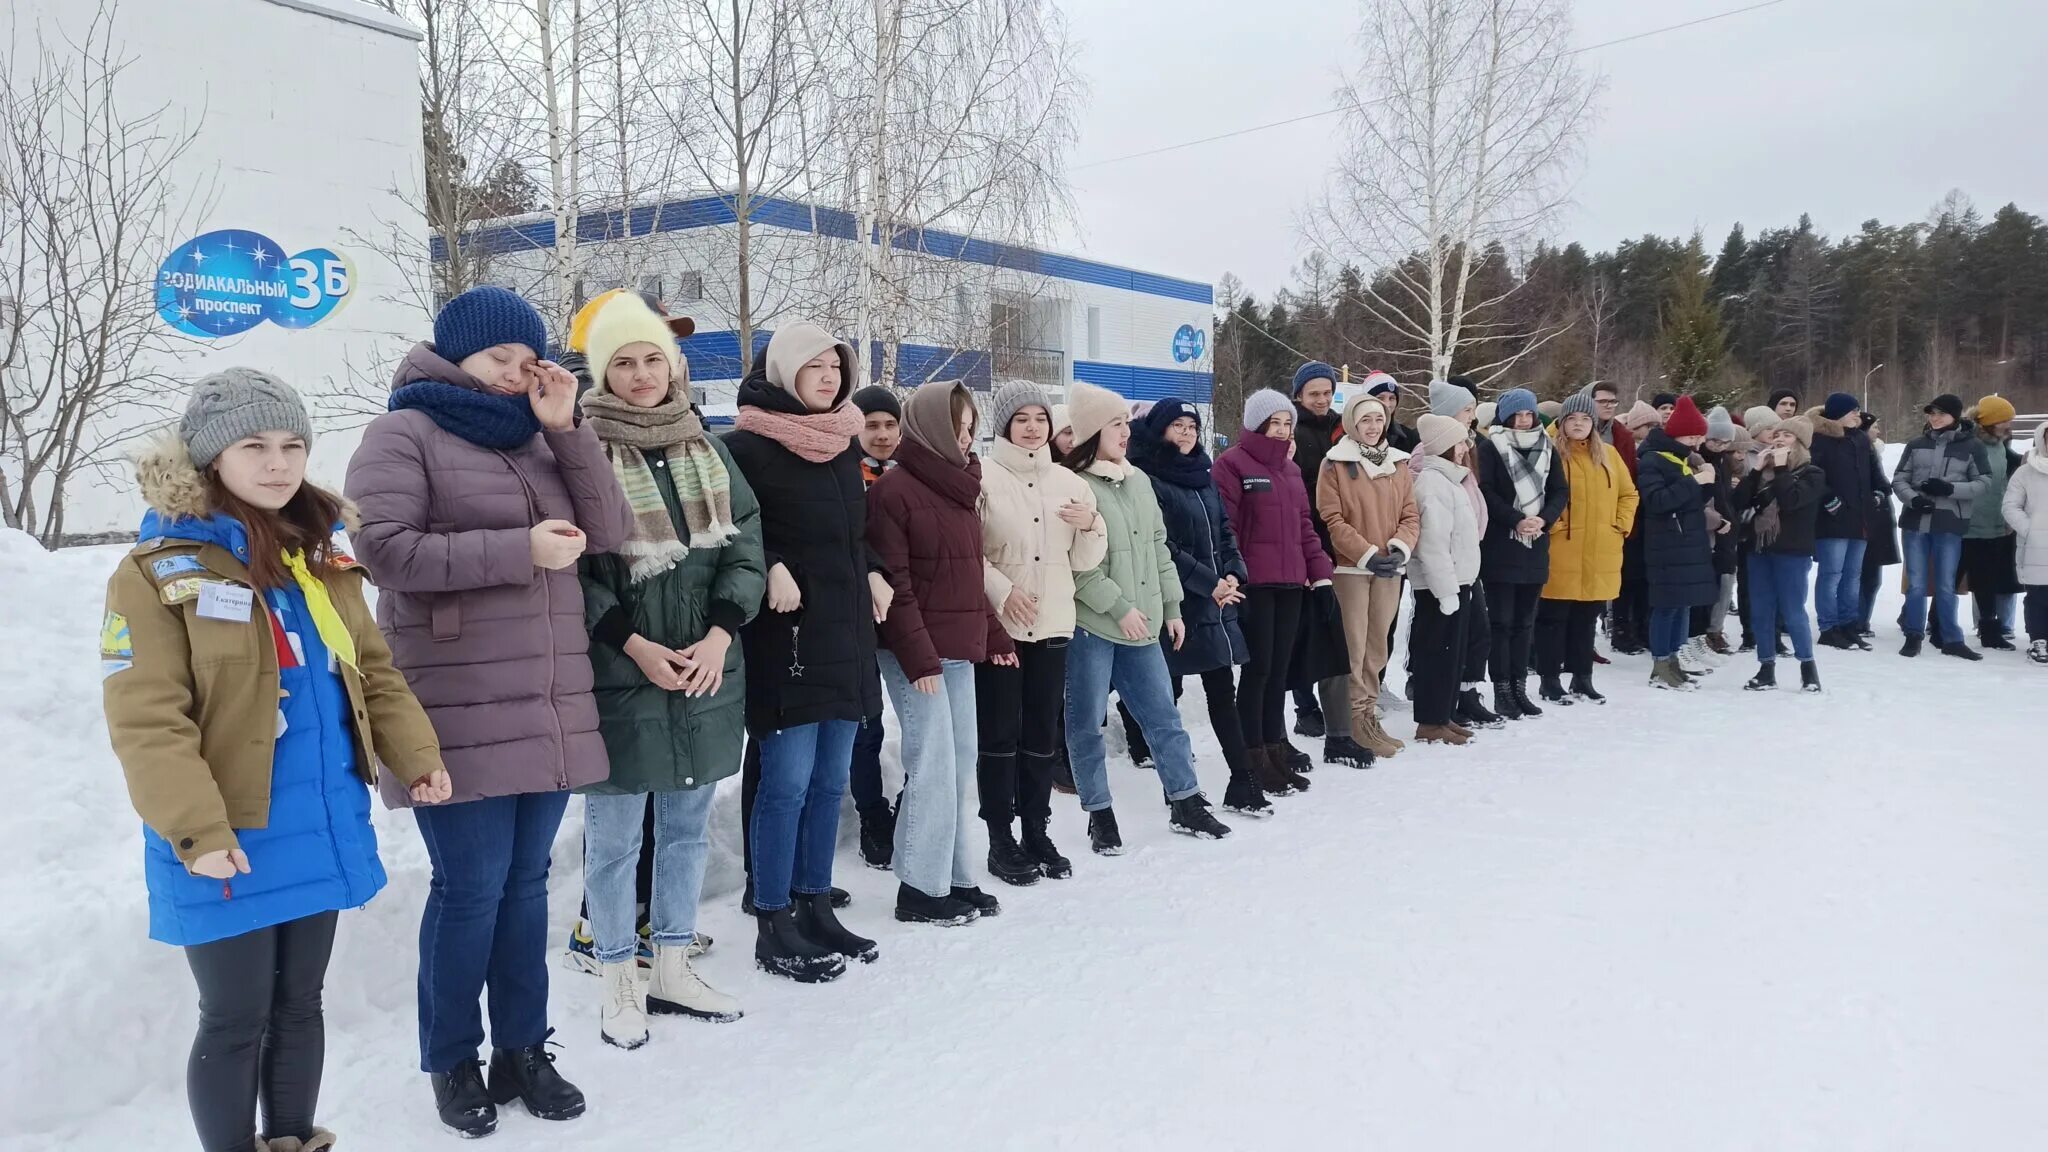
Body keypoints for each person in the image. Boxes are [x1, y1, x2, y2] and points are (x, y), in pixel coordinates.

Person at [105, 370, 450, 1152]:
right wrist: (196, 831)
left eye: (292, 444)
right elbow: (147, 720)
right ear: (208, 458)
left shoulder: (317, 561)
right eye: (254, 445)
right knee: (234, 1017)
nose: (277, 462)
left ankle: (292, 1141)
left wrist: (416, 756)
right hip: (226, 836)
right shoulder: (157, 573)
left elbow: (373, 672)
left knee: (300, 1004)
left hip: (319, 820)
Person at [346, 285, 632, 1135]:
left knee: (525, 886)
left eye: (526, 360)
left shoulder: (542, 438)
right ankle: (451, 1059)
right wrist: (518, 550)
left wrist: (567, 428)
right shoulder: (403, 433)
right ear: (457, 356)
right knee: (469, 888)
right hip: (455, 700)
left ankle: (523, 1048)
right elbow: (382, 550)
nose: (515, 374)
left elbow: (610, 530)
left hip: (545, 701)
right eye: (499, 360)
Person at [573, 294, 763, 1048]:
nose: (642, 373)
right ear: (602, 372)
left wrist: (721, 633)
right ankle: (619, 976)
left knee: (686, 833)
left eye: (653, 357)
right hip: (626, 673)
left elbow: (745, 545)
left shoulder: (706, 447)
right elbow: (577, 575)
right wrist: (635, 646)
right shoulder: (581, 454)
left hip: (707, 671)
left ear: (675, 364)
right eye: (623, 361)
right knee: (615, 838)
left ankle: (674, 966)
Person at [722, 322, 891, 981]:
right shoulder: (745, 446)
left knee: (828, 782)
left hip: (846, 632)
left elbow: (854, 534)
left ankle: (814, 905)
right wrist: (768, 563)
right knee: (786, 783)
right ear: (785, 371)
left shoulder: (845, 445)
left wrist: (875, 567)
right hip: (787, 637)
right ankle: (772, 919)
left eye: (836, 366)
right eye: (815, 366)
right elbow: (726, 530)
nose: (829, 376)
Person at [1063, 381, 1233, 852]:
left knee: (1164, 716)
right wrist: (1120, 609)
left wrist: (1172, 608)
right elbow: (1077, 569)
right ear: (1093, 431)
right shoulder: (1073, 486)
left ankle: (1186, 800)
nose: (1126, 431)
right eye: (1115, 424)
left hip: (1143, 622)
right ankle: (1099, 812)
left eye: (1124, 422)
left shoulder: (1137, 480)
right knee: (1085, 723)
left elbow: (1158, 550)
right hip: (1094, 625)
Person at [867, 380, 1015, 924]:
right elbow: (896, 583)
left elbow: (968, 576)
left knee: (958, 765)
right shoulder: (894, 492)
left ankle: (952, 876)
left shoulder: (961, 489)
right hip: (915, 652)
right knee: (930, 766)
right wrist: (919, 657)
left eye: (972, 427)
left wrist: (994, 635)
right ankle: (918, 889)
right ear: (929, 428)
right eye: (958, 427)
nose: (968, 437)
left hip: (956, 647)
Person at [978, 380, 1106, 878]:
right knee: (999, 735)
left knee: (1039, 736)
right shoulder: (983, 477)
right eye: (1022, 419)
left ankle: (1037, 829)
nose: (1032, 428)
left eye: (1040, 419)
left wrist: (1093, 523)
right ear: (1005, 425)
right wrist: (1002, 590)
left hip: (1053, 622)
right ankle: (999, 837)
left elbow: (1083, 560)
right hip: (1004, 627)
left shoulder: (1070, 483)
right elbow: (971, 553)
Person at [1129, 399, 1269, 812]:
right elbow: (1164, 547)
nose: (1187, 432)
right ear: (1158, 431)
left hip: (1214, 601)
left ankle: (1241, 781)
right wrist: (1209, 584)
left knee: (1221, 690)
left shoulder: (1202, 475)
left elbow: (1224, 531)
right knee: (1164, 698)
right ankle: (1177, 792)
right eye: (1177, 425)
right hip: (1172, 602)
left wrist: (1233, 574)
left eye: (1192, 425)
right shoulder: (1147, 478)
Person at [1215, 388, 1347, 782]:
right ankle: (1251, 754)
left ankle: (1275, 747)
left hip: (1291, 583)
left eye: (1288, 422)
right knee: (1257, 671)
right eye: (1275, 422)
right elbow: (1227, 529)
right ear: (1257, 424)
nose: (1283, 429)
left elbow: (1305, 527)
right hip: (1255, 584)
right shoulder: (1231, 464)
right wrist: (1232, 574)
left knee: (1279, 670)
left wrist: (1319, 571)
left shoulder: (1290, 470)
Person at [1316, 391, 1419, 756]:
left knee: (1378, 646)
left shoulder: (1399, 463)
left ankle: (1368, 711)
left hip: (1390, 568)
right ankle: (1353, 720)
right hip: (1352, 570)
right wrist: (1366, 554)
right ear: (1352, 424)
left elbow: (1410, 514)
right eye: (1365, 421)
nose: (1373, 427)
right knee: (1354, 647)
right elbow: (1332, 518)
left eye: (1378, 420)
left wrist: (1398, 549)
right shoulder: (1335, 463)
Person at [1536, 392, 1638, 704]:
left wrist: (1619, 524)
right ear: (1562, 422)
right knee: (1553, 619)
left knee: (1586, 620)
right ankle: (1549, 680)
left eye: (1585, 419)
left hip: (1600, 550)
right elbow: (1535, 496)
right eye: (1572, 419)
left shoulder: (1607, 454)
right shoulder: (1548, 452)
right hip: (1561, 549)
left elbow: (1629, 493)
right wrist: (1552, 524)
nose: (1579, 424)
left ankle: (1583, 678)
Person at [1475, 388, 1568, 720]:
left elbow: (1560, 489)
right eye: (1517, 415)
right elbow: (1485, 491)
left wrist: (1543, 519)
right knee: (1501, 622)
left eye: (1528, 414)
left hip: (1536, 544)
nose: (1524, 420)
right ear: (1505, 416)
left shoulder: (1547, 447)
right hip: (1502, 544)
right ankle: (1501, 687)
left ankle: (1519, 686)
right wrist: (1516, 519)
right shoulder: (1490, 448)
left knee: (1525, 623)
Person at [1427, 377, 1503, 728]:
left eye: (1474, 410)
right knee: (1447, 637)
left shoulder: (1467, 446)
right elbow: (1435, 522)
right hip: (1448, 562)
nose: (1472, 417)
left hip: (1469, 557)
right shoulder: (1429, 457)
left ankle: (1467, 692)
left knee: (1476, 632)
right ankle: (1443, 701)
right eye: (1467, 409)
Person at [1733, 415, 1828, 692]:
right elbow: (1738, 503)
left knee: (1792, 610)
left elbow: (1792, 500)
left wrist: (1782, 469)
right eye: (1776, 435)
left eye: (1786, 436)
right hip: (1758, 548)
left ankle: (1808, 668)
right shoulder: (1762, 473)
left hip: (1792, 551)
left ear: (1799, 443)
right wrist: (1754, 472)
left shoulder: (1813, 473)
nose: (1778, 440)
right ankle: (1766, 668)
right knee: (1761, 610)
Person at [1892, 393, 1988, 659]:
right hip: (1915, 523)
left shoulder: (1973, 447)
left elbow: (1983, 483)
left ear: (1955, 417)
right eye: (1931, 413)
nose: (1934, 418)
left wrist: (1950, 488)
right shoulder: (1915, 444)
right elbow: (1899, 479)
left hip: (1949, 524)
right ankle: (1913, 634)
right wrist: (1913, 500)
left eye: (1941, 414)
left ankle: (1951, 639)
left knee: (1946, 584)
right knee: (1916, 584)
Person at [849, 384, 902, 868]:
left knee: (924, 724)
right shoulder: (844, 474)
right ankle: (872, 813)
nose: (882, 434)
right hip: (859, 618)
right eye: (872, 425)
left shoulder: (912, 475)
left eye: (890, 424)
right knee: (867, 728)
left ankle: (912, 805)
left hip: (907, 614)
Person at [1405, 414, 1483, 745]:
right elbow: (1433, 543)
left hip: (1458, 582)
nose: (1466, 448)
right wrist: (1445, 590)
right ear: (1446, 447)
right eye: (1460, 442)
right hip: (1440, 588)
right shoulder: (1432, 483)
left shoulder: (1450, 479)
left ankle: (1443, 714)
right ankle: (1429, 719)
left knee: (1453, 653)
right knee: (1436, 652)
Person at [1633, 396, 1719, 690]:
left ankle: (1673, 660)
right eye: (1691, 434)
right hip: (1666, 543)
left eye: (1699, 434)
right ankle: (1660, 663)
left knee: (1681, 604)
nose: (1697, 440)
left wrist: (1707, 483)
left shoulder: (1683, 459)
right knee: (1666, 606)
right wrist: (1695, 482)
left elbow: (1690, 502)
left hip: (1685, 541)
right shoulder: (1653, 459)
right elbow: (1656, 501)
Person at [1286, 362, 1350, 743]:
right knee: (1304, 628)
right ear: (1299, 396)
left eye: (1327, 392)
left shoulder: (1343, 428)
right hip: (1307, 536)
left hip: (1341, 537)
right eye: (1314, 394)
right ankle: (1304, 706)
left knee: (1334, 626)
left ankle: (1336, 703)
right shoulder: (1292, 430)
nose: (1322, 400)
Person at [1807, 393, 1882, 652]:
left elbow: (1874, 473)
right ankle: (1829, 627)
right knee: (1832, 574)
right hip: (1833, 518)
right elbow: (1812, 473)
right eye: (1852, 411)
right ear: (1837, 413)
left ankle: (1849, 624)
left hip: (1860, 518)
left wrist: (1879, 493)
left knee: (1853, 576)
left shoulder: (1860, 439)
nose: (1857, 415)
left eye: (1858, 410)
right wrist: (1828, 499)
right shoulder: (1820, 439)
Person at [1961, 394, 2023, 650]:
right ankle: (1937, 625)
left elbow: (2004, 482)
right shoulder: (1969, 445)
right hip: (1966, 525)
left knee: (1986, 580)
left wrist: (2006, 516)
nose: (2010, 425)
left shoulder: (1999, 445)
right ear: (1990, 422)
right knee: (1952, 579)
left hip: (1993, 525)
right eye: (2005, 420)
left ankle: (1989, 631)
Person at [1696, 406, 1743, 658]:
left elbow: (1726, 497)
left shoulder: (1726, 461)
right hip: (1709, 529)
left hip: (1727, 530)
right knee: (1706, 583)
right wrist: (1716, 520)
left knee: (1726, 581)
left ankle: (1716, 629)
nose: (1719, 445)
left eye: (1726, 441)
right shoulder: (1698, 459)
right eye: (1715, 439)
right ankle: (1702, 632)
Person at [1999, 425, 2048, 664]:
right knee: (2038, 594)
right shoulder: (2025, 473)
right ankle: (2039, 639)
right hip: (2036, 545)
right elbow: (2010, 506)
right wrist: (2030, 529)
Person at [1857, 413, 1900, 639]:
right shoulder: (1860, 452)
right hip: (1866, 519)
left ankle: (1863, 619)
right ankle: (1858, 619)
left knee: (1873, 575)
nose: (1878, 431)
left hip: (1879, 519)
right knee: (1865, 574)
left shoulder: (1874, 451)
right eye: (1874, 426)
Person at [1364, 371, 1420, 452]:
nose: (1387, 404)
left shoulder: (1410, 437)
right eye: (1380, 398)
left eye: (1392, 398)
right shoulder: (1354, 436)